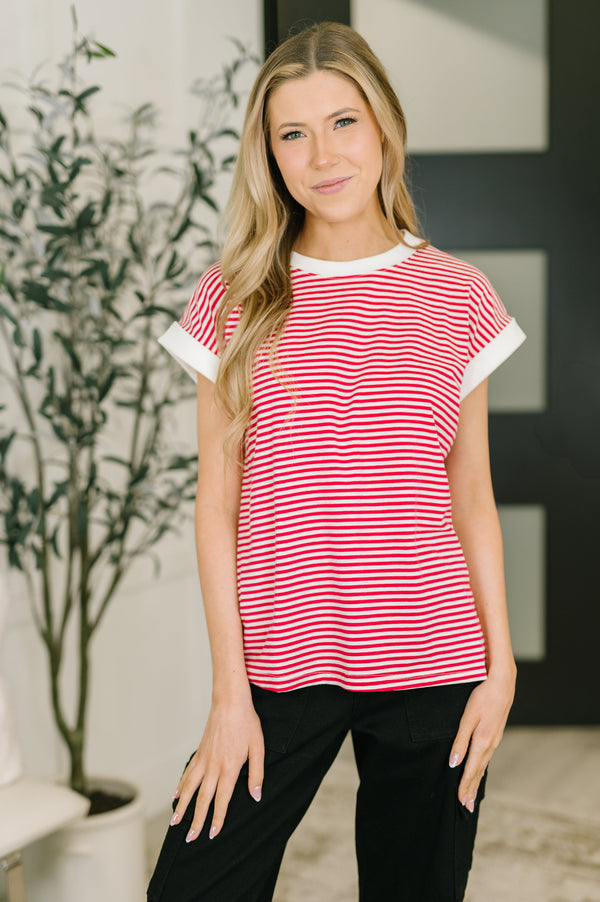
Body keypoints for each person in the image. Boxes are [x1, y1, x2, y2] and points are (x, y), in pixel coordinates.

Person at [147, 21, 526, 902]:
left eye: (343, 121)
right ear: (270, 155)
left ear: (385, 127)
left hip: (435, 663)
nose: (323, 154)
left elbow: (470, 494)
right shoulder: (235, 296)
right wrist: (228, 696)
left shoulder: (456, 292)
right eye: (293, 132)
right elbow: (217, 505)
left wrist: (500, 665)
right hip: (281, 663)